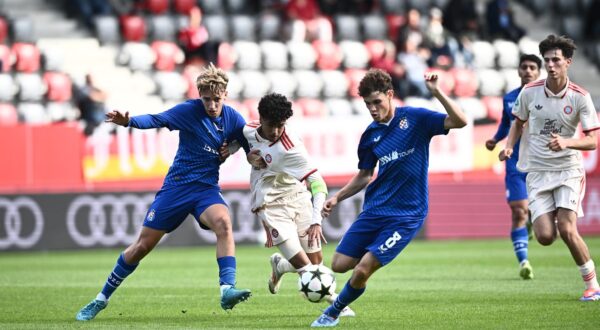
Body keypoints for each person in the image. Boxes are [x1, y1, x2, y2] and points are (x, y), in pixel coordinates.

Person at [75, 63, 252, 321]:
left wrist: (239, 149)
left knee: (224, 223)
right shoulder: (189, 111)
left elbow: (248, 143)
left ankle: (227, 289)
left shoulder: (234, 118)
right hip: (177, 188)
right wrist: (129, 122)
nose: (212, 105)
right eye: (206, 99)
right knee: (142, 246)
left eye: (217, 99)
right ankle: (101, 299)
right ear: (199, 96)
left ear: (225, 95)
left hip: (206, 189)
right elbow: (157, 119)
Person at [311, 69, 468, 327]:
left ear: (390, 95)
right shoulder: (370, 136)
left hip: (407, 214)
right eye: (367, 104)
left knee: (362, 270)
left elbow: (460, 121)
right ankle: (350, 290)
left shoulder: (415, 119)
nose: (373, 109)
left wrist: (437, 92)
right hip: (374, 210)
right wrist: (338, 197)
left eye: (377, 102)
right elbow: (364, 175)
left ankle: (333, 312)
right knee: (339, 264)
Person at [499, 35, 600, 302]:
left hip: (568, 170)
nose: (551, 65)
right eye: (547, 61)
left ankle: (592, 285)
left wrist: (566, 142)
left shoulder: (581, 97)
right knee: (545, 237)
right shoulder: (530, 91)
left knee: (567, 229)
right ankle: (547, 217)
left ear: (568, 62)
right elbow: (517, 122)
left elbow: (592, 141)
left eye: (556, 60)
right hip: (537, 172)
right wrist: (510, 146)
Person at [238, 93, 354, 316]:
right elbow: (240, 144)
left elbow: (318, 183)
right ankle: (336, 302)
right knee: (307, 268)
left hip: (297, 196)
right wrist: (245, 156)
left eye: (281, 125)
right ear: (260, 118)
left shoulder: (291, 148)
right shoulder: (248, 130)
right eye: (271, 125)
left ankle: (280, 266)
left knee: (316, 261)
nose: (275, 131)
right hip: (269, 203)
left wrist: (316, 221)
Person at [485, 54, 541, 280]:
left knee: (548, 227)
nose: (528, 71)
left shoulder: (546, 97)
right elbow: (505, 123)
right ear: (518, 71)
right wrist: (495, 139)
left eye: (532, 67)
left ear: (539, 72)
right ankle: (524, 262)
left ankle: (531, 222)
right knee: (519, 209)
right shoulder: (509, 98)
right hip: (515, 163)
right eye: (524, 67)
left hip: (540, 164)